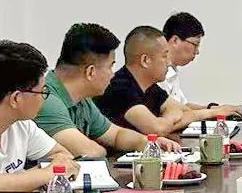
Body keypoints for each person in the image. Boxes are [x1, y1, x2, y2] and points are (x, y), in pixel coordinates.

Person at [34, 23, 180, 157]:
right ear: (91, 72)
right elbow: (90, 152)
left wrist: (149, 142)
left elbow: (116, 135)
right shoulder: (45, 99)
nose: (112, 74)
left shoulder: (82, 100)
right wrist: (103, 150)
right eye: (110, 66)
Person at [0, 41, 78, 192]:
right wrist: (48, 173)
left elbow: (63, 155)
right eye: (41, 91)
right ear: (16, 99)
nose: (43, 98)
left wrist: (28, 178)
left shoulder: (21, 124)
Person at [96, 26, 231, 136]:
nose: (169, 62)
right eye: (164, 56)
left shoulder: (150, 87)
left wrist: (166, 120)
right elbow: (157, 130)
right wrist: (171, 117)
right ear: (145, 60)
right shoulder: (120, 87)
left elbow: (183, 110)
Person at [159, 12, 242, 116]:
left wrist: (214, 108)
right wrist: (213, 112)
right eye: (195, 45)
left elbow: (183, 106)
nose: (197, 51)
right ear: (175, 40)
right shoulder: (157, 73)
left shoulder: (172, 70)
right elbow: (172, 113)